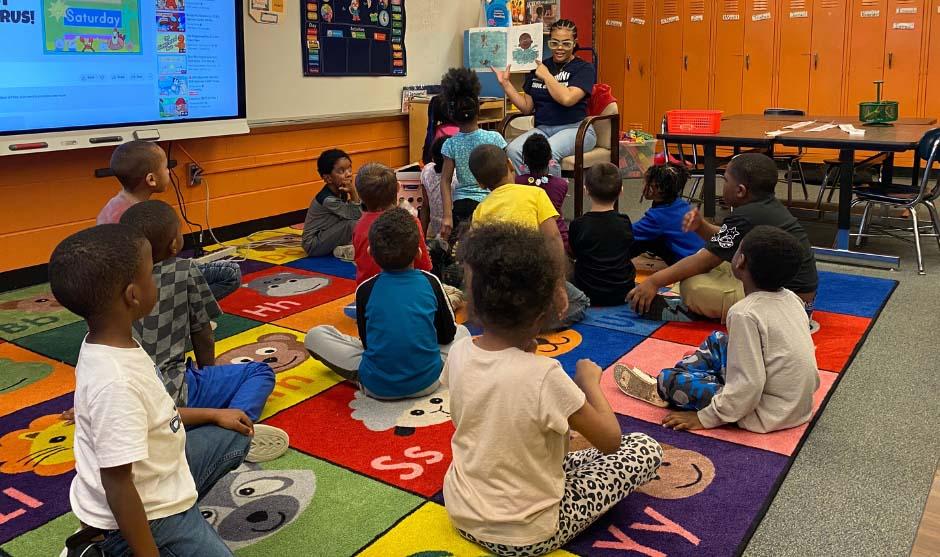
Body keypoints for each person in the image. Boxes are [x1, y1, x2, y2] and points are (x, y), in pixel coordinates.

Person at [442, 222, 662, 556]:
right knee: (643, 448)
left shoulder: (458, 351)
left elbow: (493, 401)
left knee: (548, 449)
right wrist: (590, 383)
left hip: (462, 509)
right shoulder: (545, 375)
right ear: (545, 311)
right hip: (526, 533)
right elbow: (609, 440)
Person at [49, 224, 251, 556]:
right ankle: (108, 548)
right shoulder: (116, 381)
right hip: (146, 513)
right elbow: (117, 483)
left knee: (236, 434)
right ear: (133, 295)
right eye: (150, 274)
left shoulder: (114, 340)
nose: (156, 280)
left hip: (156, 475)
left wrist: (215, 413)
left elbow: (157, 414)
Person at [120, 201, 289, 463]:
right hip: (175, 391)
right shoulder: (182, 270)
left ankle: (191, 423)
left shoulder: (113, 281)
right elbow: (202, 331)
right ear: (174, 245)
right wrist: (207, 372)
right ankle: (235, 425)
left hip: (128, 405)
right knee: (260, 371)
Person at [618, 226, 820, 433]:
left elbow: (750, 385)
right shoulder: (793, 299)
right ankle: (704, 376)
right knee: (718, 340)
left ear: (740, 261)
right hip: (797, 405)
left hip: (763, 412)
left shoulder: (744, 313)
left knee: (669, 380)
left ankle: (667, 388)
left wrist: (705, 418)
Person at [627, 153, 819, 324]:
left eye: (726, 181)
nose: (723, 185)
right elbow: (727, 237)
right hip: (788, 292)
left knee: (692, 287)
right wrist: (701, 227)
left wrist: (654, 282)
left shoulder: (746, 215)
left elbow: (704, 262)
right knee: (701, 266)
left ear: (741, 190)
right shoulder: (764, 206)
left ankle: (691, 311)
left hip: (787, 305)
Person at [305, 208, 470, 399]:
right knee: (462, 332)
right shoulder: (430, 281)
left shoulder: (365, 290)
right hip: (430, 380)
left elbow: (367, 344)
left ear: (370, 253)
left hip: (377, 386)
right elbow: (447, 334)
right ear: (418, 252)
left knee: (314, 336)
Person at [96, 140, 241, 301]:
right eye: (166, 168)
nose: (169, 172)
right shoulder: (141, 217)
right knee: (230, 273)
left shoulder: (112, 207)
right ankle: (183, 316)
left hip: (120, 292)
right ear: (151, 179)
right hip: (149, 289)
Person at [469, 144, 589, 330]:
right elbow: (553, 239)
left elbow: (473, 258)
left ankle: (508, 323)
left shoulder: (480, 210)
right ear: (510, 164)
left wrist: (475, 299)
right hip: (533, 278)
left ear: (480, 184)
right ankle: (529, 325)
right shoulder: (535, 194)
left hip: (500, 287)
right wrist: (558, 286)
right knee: (580, 302)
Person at [495, 19, 597, 176]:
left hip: (576, 129)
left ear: (574, 43)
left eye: (566, 44)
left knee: (547, 153)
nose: (560, 48)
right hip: (543, 129)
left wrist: (547, 76)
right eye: (554, 43)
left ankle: (549, 198)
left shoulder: (584, 68)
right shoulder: (538, 67)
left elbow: (567, 99)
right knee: (514, 150)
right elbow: (527, 107)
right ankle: (530, 194)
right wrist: (506, 84)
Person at [438, 67, 508, 240]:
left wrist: (447, 216)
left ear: (451, 114)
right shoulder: (495, 138)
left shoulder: (450, 144)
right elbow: (508, 174)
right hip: (493, 203)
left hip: (462, 207)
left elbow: (445, 181)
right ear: (478, 110)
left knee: (463, 255)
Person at [352, 162, 433, 284]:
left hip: (367, 291)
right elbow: (424, 267)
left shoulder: (359, 225)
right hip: (406, 289)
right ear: (398, 187)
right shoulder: (410, 221)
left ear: (360, 195)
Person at [569, 163, 636, 307]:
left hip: (588, 291)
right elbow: (628, 250)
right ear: (621, 191)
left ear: (586, 190)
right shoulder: (624, 221)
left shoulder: (578, 224)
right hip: (622, 291)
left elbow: (575, 253)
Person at [630, 163, 706, 265]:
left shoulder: (657, 217)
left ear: (658, 189)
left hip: (688, 263)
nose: (643, 185)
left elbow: (629, 232)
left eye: (646, 182)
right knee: (653, 234)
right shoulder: (680, 203)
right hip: (701, 255)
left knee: (635, 241)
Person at [302, 148, 362, 259]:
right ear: (328, 178)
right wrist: (353, 191)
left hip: (326, 234)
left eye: (349, 168)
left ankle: (343, 248)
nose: (348, 174)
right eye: (341, 171)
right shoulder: (328, 199)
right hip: (313, 244)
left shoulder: (341, 190)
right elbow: (356, 215)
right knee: (353, 224)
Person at [515, 133, 570, 251]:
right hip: (558, 240)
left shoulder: (516, 183)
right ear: (550, 157)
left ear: (524, 159)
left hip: (527, 241)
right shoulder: (561, 184)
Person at [421, 136, 456, 240]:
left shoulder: (426, 171)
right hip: (453, 228)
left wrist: (422, 237)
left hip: (436, 230)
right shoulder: (456, 177)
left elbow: (425, 206)